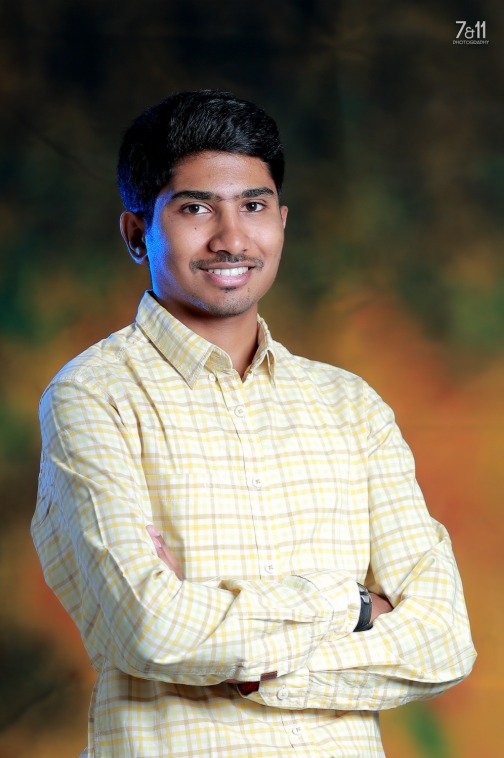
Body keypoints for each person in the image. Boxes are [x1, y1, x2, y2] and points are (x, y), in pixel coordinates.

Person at [32, 89, 476, 758]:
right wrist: (353, 606)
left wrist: (254, 668)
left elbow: (444, 640)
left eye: (253, 206)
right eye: (195, 208)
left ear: (281, 221)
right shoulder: (94, 396)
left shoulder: (350, 406)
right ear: (135, 233)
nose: (232, 238)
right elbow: (151, 631)